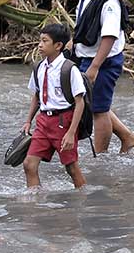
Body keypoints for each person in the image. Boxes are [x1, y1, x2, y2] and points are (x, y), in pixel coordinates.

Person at [72, 0, 134, 154]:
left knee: (98, 111)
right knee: (95, 104)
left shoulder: (109, 1)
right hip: (86, 56)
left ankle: (100, 157)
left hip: (103, 60)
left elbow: (109, 36)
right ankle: (128, 137)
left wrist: (94, 67)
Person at [22, 24, 87, 189]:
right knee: (29, 164)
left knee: (71, 168)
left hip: (63, 121)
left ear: (58, 46)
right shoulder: (39, 67)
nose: (40, 45)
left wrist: (71, 133)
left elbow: (80, 102)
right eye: (40, 40)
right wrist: (28, 120)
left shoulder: (69, 69)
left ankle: (84, 201)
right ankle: (35, 203)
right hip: (43, 121)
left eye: (45, 41)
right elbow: (36, 96)